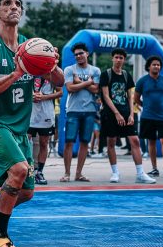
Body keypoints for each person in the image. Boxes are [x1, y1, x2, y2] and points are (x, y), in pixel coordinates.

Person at [0, 0, 64, 247]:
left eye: (17, 4)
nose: (14, 7)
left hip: (19, 126)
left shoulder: (31, 47)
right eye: (7, 4)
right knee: (19, 170)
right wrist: (17, 73)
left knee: (26, 192)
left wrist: (52, 64)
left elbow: (60, 82)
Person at [100, 48, 156, 184]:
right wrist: (116, 113)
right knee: (111, 142)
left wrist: (131, 114)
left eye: (121, 58)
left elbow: (130, 97)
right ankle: (115, 172)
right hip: (110, 114)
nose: (118, 60)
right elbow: (106, 96)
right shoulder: (106, 74)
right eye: (116, 57)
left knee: (135, 141)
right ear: (112, 58)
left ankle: (140, 173)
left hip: (126, 112)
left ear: (124, 60)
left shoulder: (126, 75)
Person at [61, 42, 100, 182]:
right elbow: (70, 88)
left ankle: (78, 173)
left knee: (85, 142)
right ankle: (67, 173)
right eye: (76, 54)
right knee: (69, 142)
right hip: (73, 110)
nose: (78, 56)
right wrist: (88, 83)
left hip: (90, 111)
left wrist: (78, 82)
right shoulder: (69, 69)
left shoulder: (95, 70)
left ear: (87, 54)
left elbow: (96, 90)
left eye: (81, 53)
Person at [134, 55, 163, 178]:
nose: (156, 66)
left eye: (158, 65)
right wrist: (145, 106)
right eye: (154, 64)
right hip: (148, 116)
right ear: (149, 67)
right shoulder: (142, 81)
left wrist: (161, 105)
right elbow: (136, 98)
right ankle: (154, 168)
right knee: (151, 141)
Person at [28, 74, 62, 185]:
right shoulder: (28, 70)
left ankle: (39, 172)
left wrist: (44, 97)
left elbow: (60, 92)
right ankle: (28, 171)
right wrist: (29, 96)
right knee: (25, 142)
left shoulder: (51, 72)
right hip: (30, 113)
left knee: (44, 143)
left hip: (46, 113)